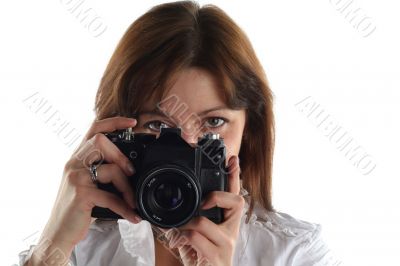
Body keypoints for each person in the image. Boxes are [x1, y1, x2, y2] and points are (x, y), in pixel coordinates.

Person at [19, 1, 335, 265]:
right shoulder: (81, 247)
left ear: (249, 133)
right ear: (118, 133)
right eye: (158, 125)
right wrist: (49, 251)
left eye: (213, 123)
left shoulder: (294, 254)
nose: (186, 146)